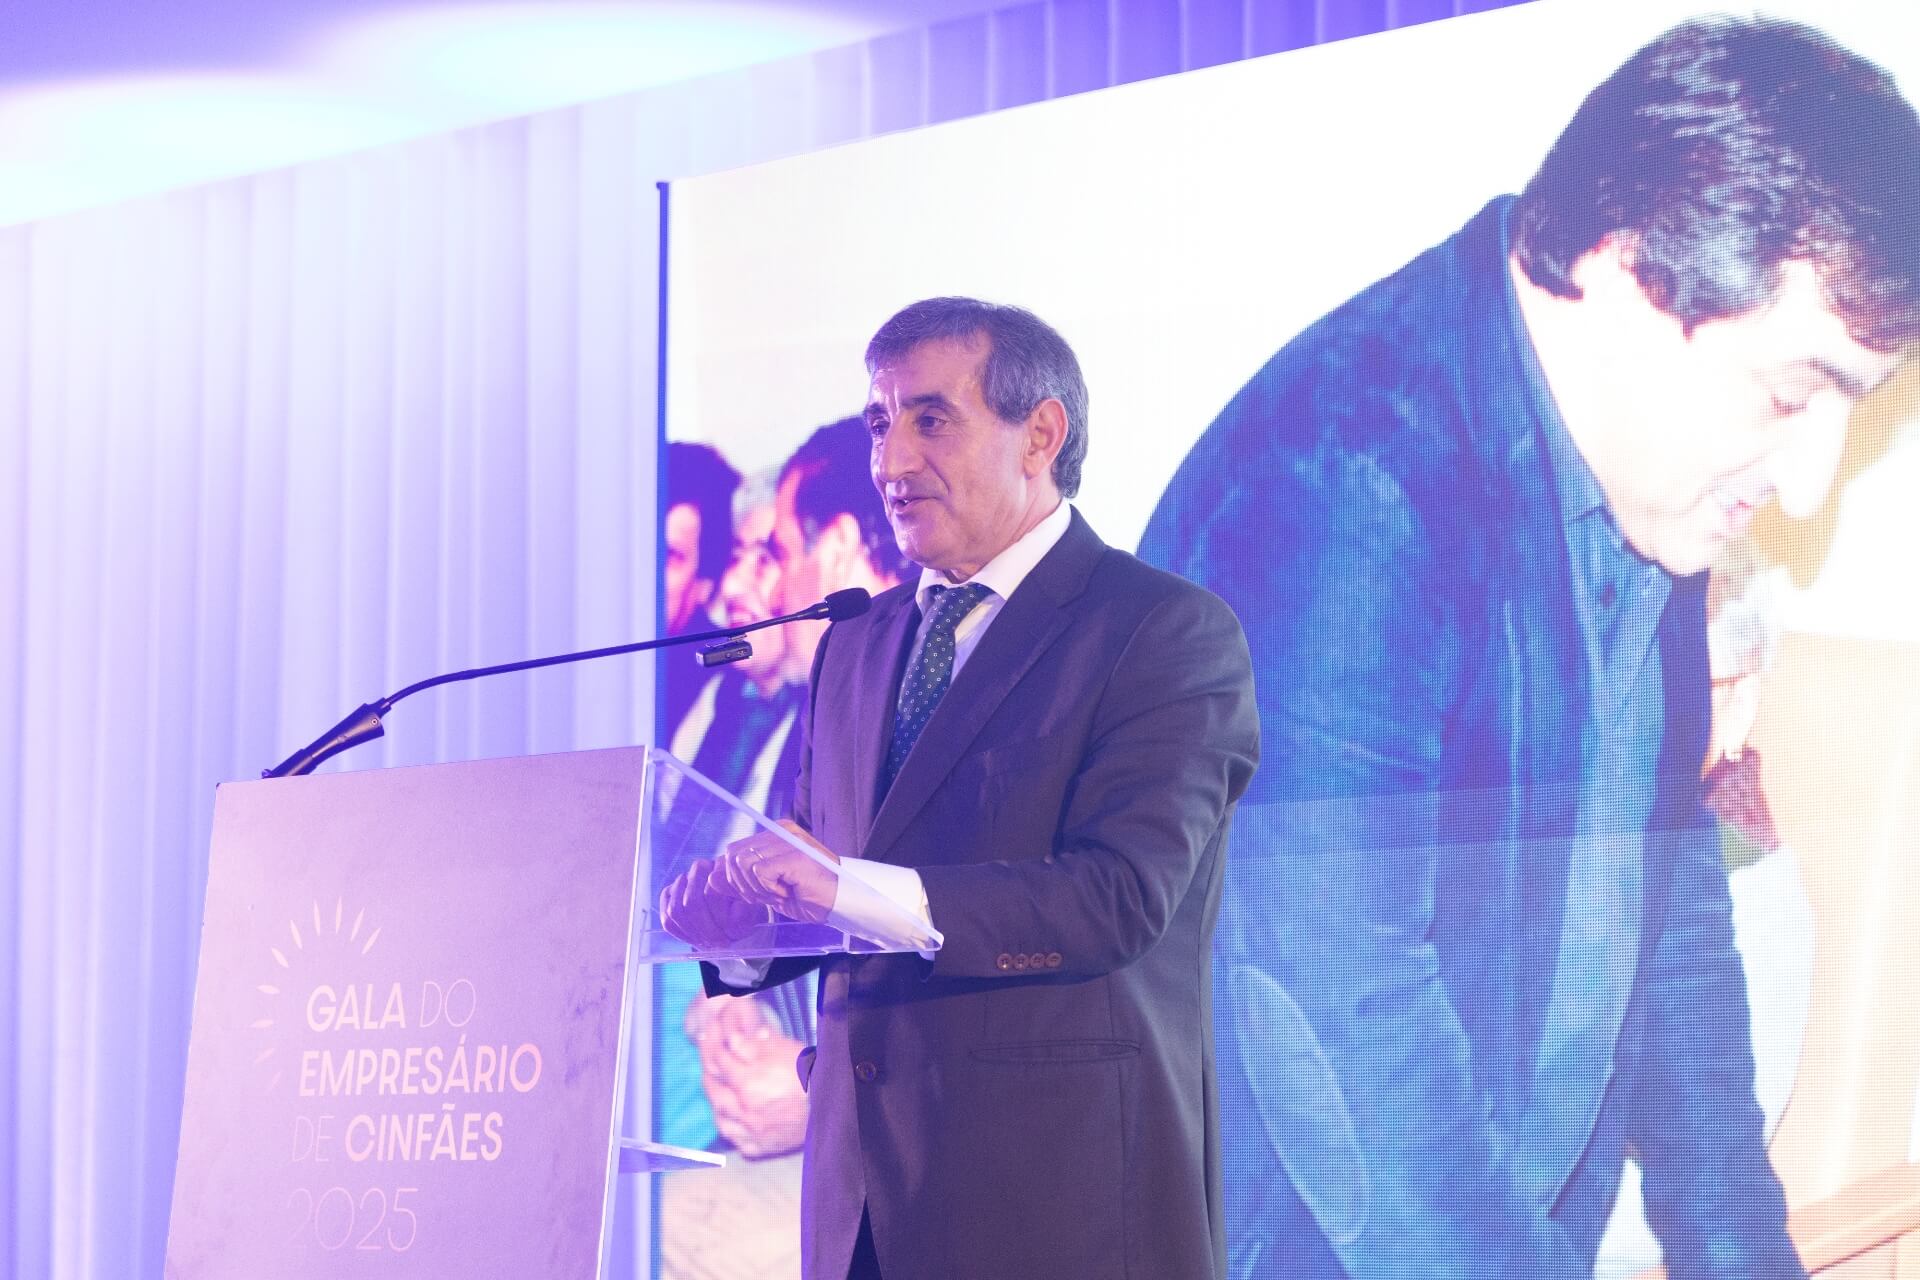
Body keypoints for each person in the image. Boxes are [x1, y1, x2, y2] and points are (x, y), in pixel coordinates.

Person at [1138, 17, 1920, 1279]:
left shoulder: (1651, 479)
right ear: (1621, 269)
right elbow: (1343, 1039)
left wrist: (1743, 1257)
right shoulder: (1341, 485)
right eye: (1790, 393)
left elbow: (1668, 915)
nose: (1808, 478)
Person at [661, 296, 1259, 1279]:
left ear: (1041, 434)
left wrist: (840, 887)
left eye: (930, 419)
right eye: (878, 423)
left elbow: (1117, 896)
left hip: (1052, 1202)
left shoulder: (1160, 631)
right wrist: (737, 927)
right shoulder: (852, 644)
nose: (891, 461)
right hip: (861, 1207)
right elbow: (819, 870)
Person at [1595, 538, 1816, 1278]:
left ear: (1740, 704)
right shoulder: (1582, 835)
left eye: (1684, 679)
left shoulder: (1752, 893)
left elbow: (1712, 1174)